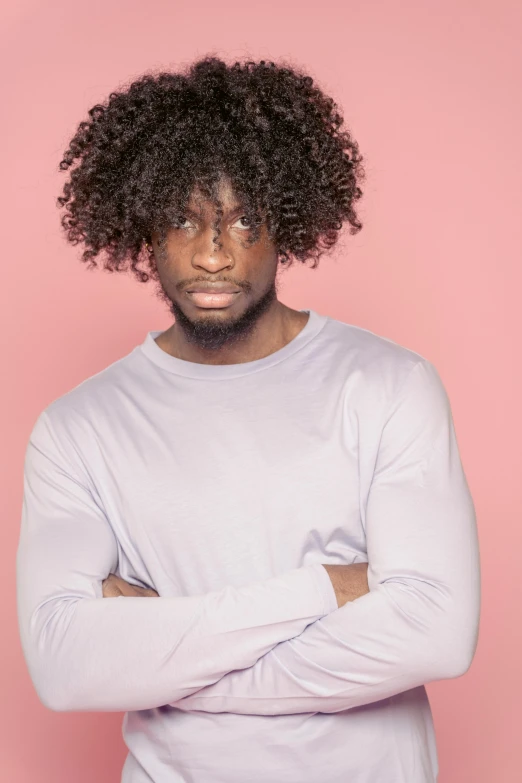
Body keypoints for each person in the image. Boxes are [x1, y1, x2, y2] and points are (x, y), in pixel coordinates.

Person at [16, 56, 480, 783]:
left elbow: (438, 635)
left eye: (241, 218)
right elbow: (65, 666)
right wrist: (324, 588)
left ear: (287, 224)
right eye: (183, 218)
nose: (212, 251)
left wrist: (170, 662)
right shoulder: (77, 428)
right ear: (143, 226)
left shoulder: (389, 385)